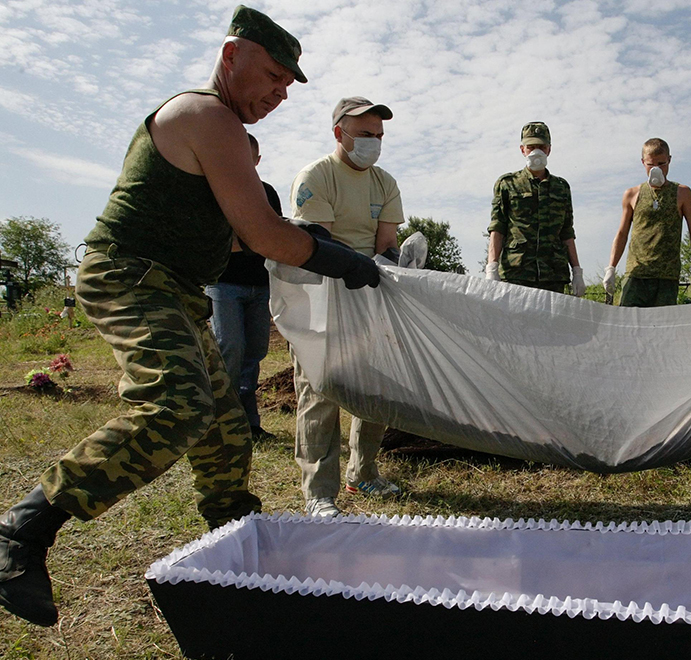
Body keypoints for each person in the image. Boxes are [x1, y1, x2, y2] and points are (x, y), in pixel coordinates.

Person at [0, 5, 384, 628]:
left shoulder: (223, 129)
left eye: (288, 87)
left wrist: (304, 235)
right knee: (177, 407)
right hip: (128, 275)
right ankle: (22, 531)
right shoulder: (205, 113)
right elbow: (259, 234)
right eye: (270, 76)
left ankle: (235, 543)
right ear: (232, 57)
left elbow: (235, 238)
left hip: (172, 287)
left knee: (224, 423)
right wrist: (339, 259)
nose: (277, 93)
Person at [288, 96, 405, 518]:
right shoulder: (317, 176)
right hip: (321, 296)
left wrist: (392, 264)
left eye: (379, 136)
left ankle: (364, 472)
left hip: (369, 294)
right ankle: (319, 491)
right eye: (365, 135)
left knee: (377, 388)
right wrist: (357, 266)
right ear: (339, 133)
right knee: (319, 391)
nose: (373, 143)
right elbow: (320, 246)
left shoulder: (384, 183)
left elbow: (386, 243)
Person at [206, 133, 280, 443]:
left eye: (249, 158)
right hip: (224, 284)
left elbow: (274, 236)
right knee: (230, 348)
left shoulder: (267, 193)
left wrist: (247, 239)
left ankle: (249, 423)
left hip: (261, 285)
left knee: (255, 352)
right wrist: (254, 238)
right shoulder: (213, 192)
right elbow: (216, 242)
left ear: (257, 160)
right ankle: (221, 423)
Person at [486, 122, 585, 296]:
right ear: (522, 149)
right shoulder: (507, 184)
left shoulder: (561, 187)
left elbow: (567, 232)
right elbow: (497, 228)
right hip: (516, 273)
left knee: (552, 323)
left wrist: (577, 271)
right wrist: (492, 267)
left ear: (549, 149)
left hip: (553, 275)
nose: (536, 152)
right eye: (531, 147)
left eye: (541, 147)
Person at [603, 138, 691, 306]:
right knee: (630, 326)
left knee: (662, 328)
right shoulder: (632, 194)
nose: (656, 169)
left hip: (666, 277)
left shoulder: (682, 193)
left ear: (669, 160)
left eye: (661, 163)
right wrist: (611, 268)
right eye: (650, 165)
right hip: (636, 274)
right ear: (643, 162)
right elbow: (622, 233)